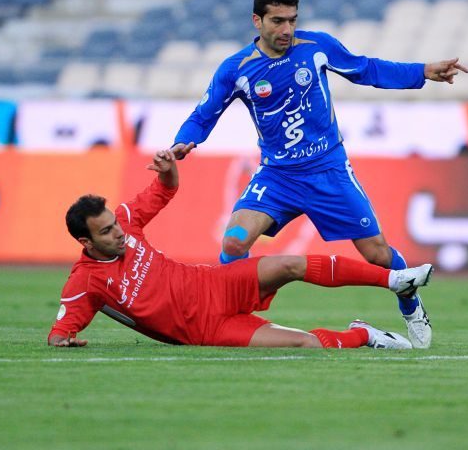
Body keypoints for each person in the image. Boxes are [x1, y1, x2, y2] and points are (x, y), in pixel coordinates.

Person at [170, 0, 468, 349]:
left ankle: (411, 305)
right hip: (278, 176)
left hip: (328, 171)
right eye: (278, 21)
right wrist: (183, 141)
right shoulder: (237, 69)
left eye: (292, 20)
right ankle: (231, 314)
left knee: (377, 254)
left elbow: (366, 69)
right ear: (256, 21)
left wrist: (422, 71)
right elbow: (204, 114)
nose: (287, 29)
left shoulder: (316, 47)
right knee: (234, 241)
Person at [47, 148, 433, 349]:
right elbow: (60, 331)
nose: (118, 233)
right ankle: (365, 336)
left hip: (213, 283)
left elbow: (165, 189)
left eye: (115, 224)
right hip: (207, 329)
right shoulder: (85, 282)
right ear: (86, 242)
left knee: (288, 264)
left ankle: (394, 280)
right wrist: (63, 340)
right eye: (107, 231)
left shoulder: (127, 222)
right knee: (305, 343)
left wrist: (167, 168)